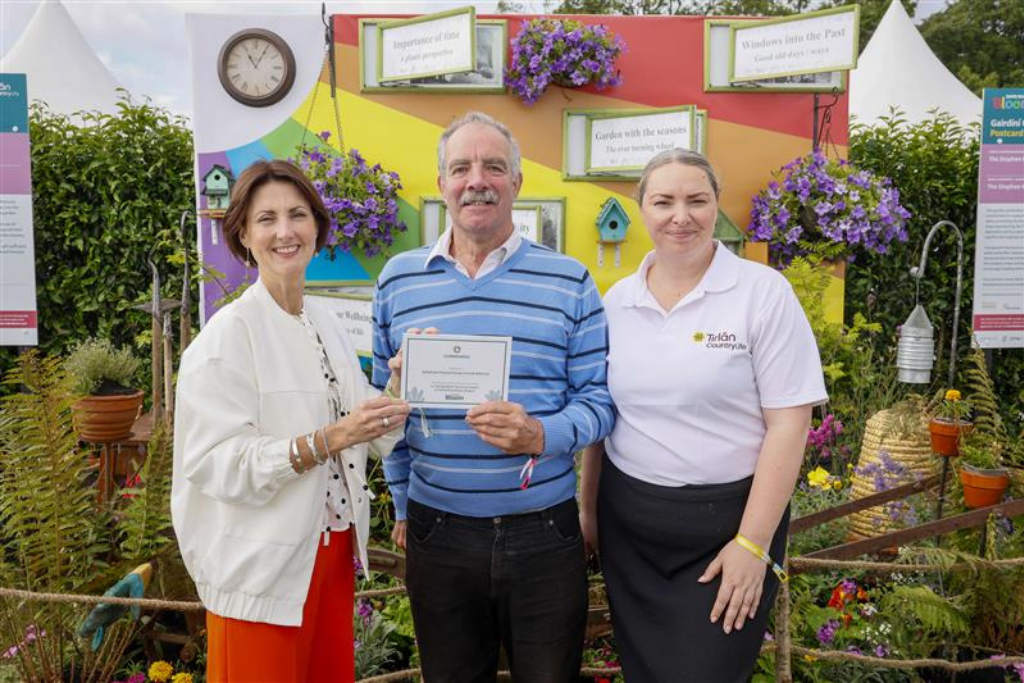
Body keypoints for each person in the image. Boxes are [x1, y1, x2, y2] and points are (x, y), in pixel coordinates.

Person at [372, 111, 616, 683]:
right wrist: (404, 502)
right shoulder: (399, 280)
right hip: (439, 530)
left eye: (493, 167)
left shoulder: (570, 281)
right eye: (461, 167)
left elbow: (599, 402)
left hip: (543, 531)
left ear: (517, 183)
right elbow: (386, 407)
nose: (476, 179)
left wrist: (541, 435)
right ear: (441, 184)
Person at [580, 149, 828, 683]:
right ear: (642, 209)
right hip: (632, 534)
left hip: (729, 532)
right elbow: (602, 418)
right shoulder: (616, 302)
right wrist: (587, 510)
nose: (680, 215)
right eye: (663, 201)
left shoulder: (763, 294)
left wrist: (752, 545)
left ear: (717, 207)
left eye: (697, 200)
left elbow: (790, 424)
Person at [172, 159, 410, 683]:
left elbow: (363, 425)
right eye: (267, 219)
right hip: (260, 571)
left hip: (329, 556)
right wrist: (329, 439)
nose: (285, 231)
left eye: (298, 214)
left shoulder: (323, 320)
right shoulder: (226, 337)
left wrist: (400, 389)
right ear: (242, 233)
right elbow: (216, 463)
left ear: (318, 228)